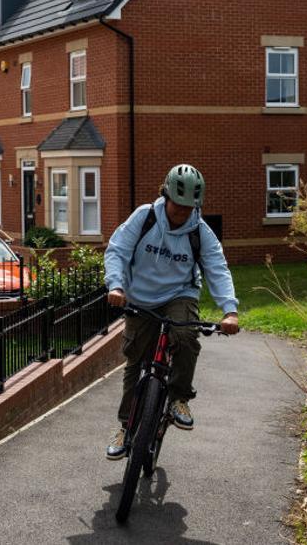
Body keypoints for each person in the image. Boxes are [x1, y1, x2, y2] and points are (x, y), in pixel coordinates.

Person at [103, 164, 240, 460]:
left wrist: (230, 311)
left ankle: (179, 398)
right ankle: (126, 427)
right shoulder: (145, 217)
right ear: (165, 195)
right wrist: (116, 286)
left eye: (189, 207)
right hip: (140, 297)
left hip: (180, 292)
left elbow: (217, 268)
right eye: (177, 205)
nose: (182, 212)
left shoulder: (200, 232)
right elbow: (118, 250)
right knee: (135, 361)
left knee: (186, 334)